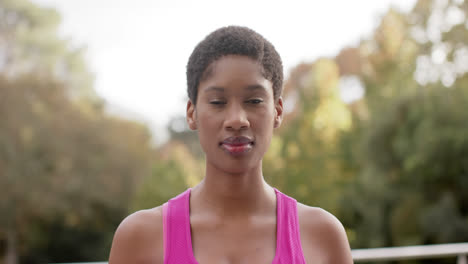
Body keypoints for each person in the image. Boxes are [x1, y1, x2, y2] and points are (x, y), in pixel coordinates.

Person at [108, 26, 353, 264]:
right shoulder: (139, 238)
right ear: (192, 113)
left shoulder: (323, 235)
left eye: (254, 100)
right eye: (217, 102)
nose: (237, 120)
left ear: (277, 111)